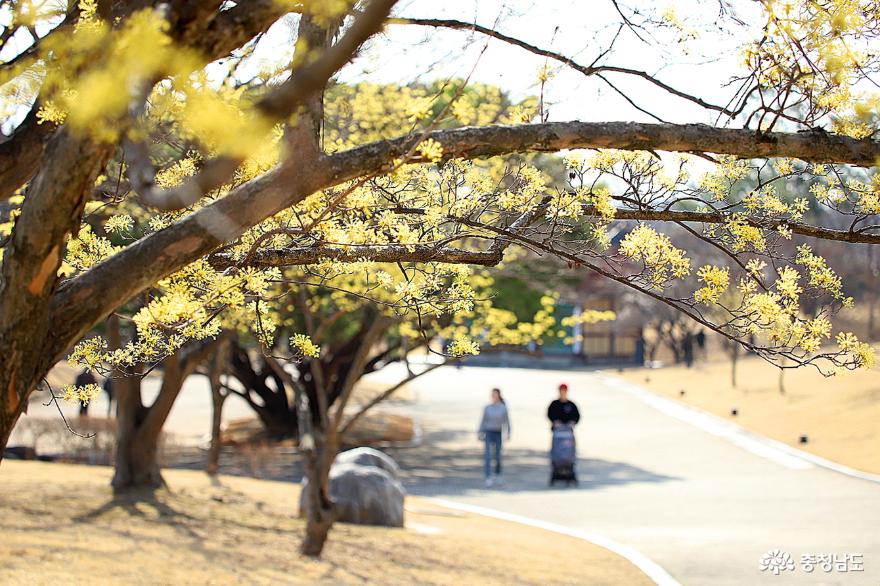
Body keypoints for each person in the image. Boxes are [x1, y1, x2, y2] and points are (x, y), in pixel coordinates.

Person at [478, 388, 511, 487]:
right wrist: (480, 431)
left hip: (498, 432)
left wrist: (509, 432)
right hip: (488, 432)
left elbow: (507, 421)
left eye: (495, 395)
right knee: (488, 456)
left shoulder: (503, 408)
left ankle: (498, 474)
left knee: (498, 455)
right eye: (492, 395)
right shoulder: (487, 408)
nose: (494, 397)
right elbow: (483, 420)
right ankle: (488, 476)